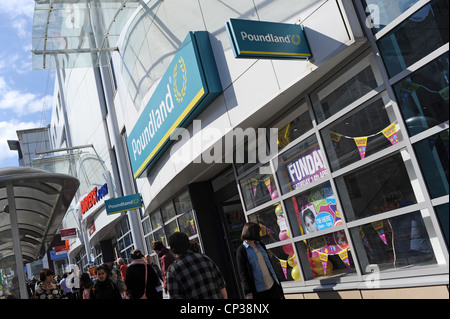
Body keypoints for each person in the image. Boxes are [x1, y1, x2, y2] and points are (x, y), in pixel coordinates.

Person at [166, 232, 227, 299]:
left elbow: (175, 297)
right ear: (188, 243)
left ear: (172, 249)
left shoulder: (172, 270)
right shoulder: (206, 259)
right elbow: (221, 286)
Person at [236, 222, 285, 299]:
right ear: (252, 233)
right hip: (259, 291)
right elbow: (243, 274)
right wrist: (248, 293)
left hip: (272, 286)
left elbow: (269, 265)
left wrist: (278, 285)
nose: (260, 234)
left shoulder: (260, 245)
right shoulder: (241, 250)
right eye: (257, 232)